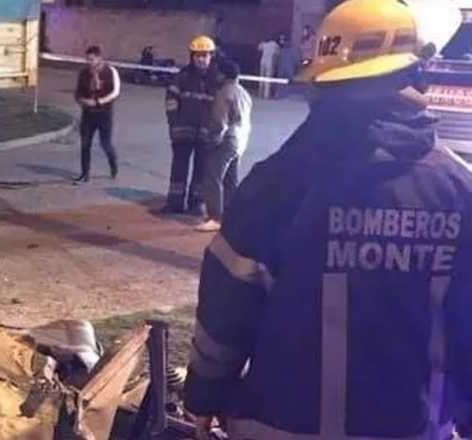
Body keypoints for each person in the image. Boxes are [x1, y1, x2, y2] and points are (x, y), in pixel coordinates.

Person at [185, 0, 471, 438]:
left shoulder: (275, 184)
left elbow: (226, 306)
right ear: (415, 75)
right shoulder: (457, 190)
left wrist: (206, 394)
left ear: (323, 85)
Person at [157, 36, 218, 215]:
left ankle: (196, 203)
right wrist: (174, 123)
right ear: (192, 56)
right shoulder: (181, 77)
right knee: (179, 168)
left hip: (206, 135)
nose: (201, 59)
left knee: (201, 170)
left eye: (205, 55)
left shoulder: (217, 80)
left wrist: (215, 129)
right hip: (182, 133)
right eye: (198, 55)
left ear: (211, 56)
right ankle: (175, 203)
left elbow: (222, 108)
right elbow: (171, 101)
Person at [195, 59, 251, 233]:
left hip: (227, 140)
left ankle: (215, 217)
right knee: (231, 180)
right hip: (241, 140)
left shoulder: (224, 93)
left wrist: (212, 139)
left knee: (213, 177)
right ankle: (231, 215)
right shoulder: (244, 93)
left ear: (223, 75)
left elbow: (220, 122)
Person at [73, 45, 120, 184]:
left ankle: (113, 163)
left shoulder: (110, 71)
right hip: (88, 114)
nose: (89, 62)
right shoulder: (83, 73)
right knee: (85, 144)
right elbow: (78, 91)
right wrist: (81, 100)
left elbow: (115, 92)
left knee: (105, 144)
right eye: (87, 59)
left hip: (104, 113)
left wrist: (98, 102)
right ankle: (85, 173)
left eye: (91, 59)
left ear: (99, 58)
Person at [276, 33, 298, 98]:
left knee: (286, 80)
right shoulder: (281, 50)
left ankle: (282, 94)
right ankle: (280, 93)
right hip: (284, 67)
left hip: (287, 67)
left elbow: (294, 59)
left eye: (282, 40)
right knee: (282, 80)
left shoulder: (289, 50)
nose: (281, 41)